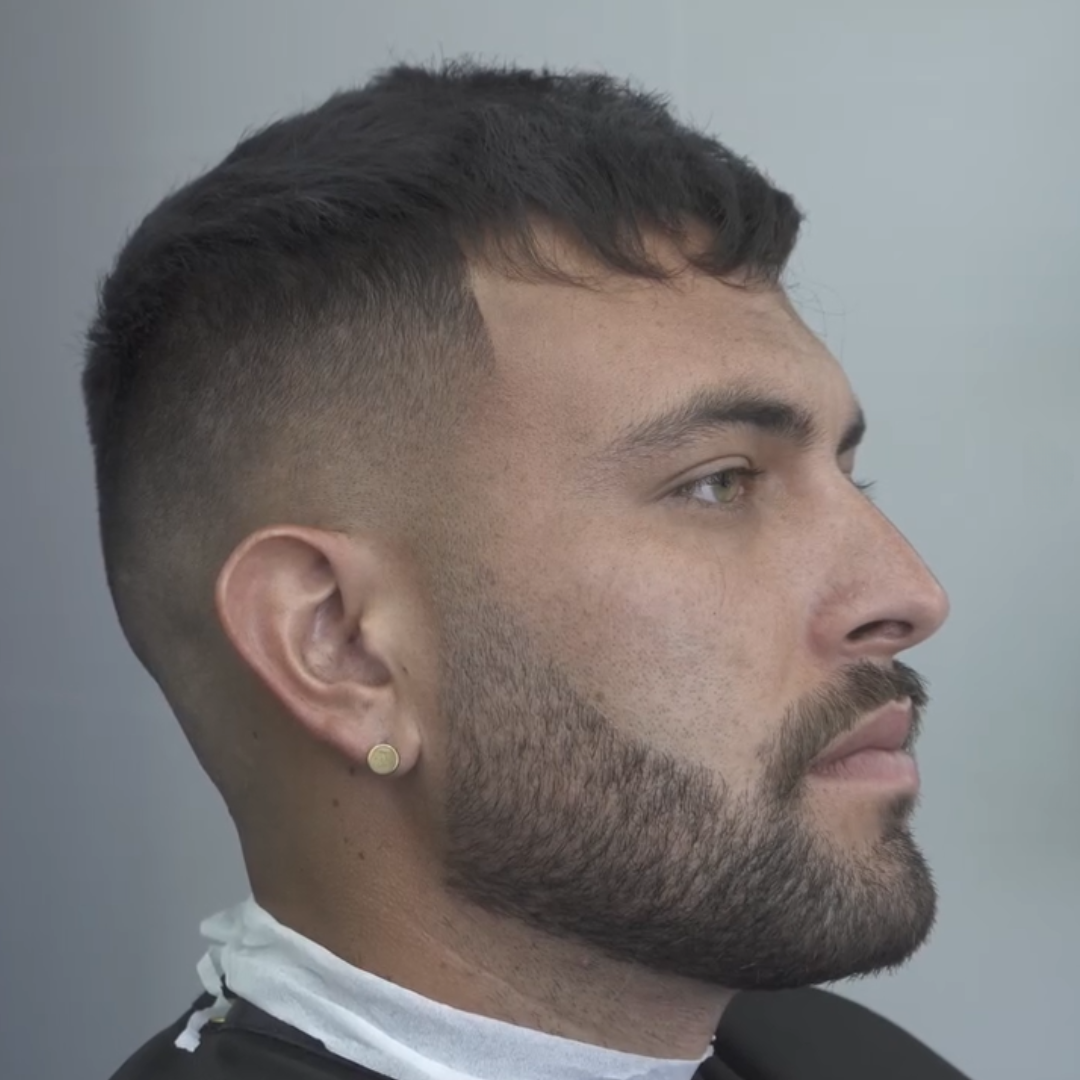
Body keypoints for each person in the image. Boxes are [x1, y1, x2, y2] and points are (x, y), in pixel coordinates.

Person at [83, 60, 970, 1080]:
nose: (910, 594)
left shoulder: (843, 1057)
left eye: (848, 474)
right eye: (719, 484)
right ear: (341, 646)